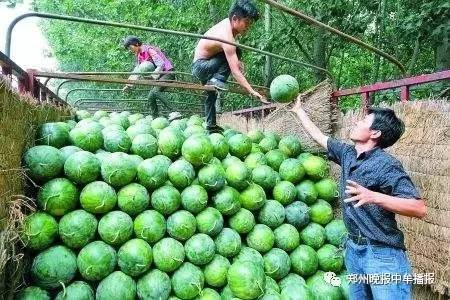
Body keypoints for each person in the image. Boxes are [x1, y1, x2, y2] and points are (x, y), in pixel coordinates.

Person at [291, 99, 426, 299]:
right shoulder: (348, 154)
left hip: (382, 254)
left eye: (363, 121)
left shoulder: (387, 165)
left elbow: (419, 208)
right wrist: (299, 110)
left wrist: (374, 196)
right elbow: (319, 137)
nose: (356, 123)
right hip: (354, 250)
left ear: (375, 133)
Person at [192, 0, 269, 133]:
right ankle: (218, 79)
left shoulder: (226, 26)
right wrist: (251, 91)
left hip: (204, 65)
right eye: (247, 22)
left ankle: (211, 125)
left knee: (212, 93)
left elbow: (221, 51)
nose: (248, 26)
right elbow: (235, 72)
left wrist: (236, 61)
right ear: (235, 19)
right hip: (201, 67)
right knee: (237, 51)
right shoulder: (227, 37)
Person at [122, 36, 175, 117]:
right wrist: (128, 85)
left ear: (136, 44)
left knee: (155, 91)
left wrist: (153, 76)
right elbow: (137, 71)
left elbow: (161, 64)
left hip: (167, 73)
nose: (130, 50)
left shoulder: (149, 50)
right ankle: (155, 118)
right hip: (160, 76)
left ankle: (174, 111)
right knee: (151, 97)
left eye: (130, 47)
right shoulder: (139, 56)